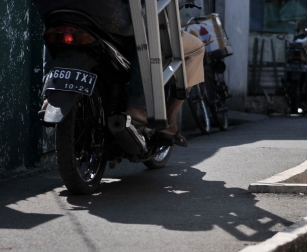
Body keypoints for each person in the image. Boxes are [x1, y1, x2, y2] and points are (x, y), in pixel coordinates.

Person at [33, 0, 205, 147]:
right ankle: (139, 106)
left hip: (47, 6)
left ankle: (50, 97)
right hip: (100, 10)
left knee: (60, 29)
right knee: (147, 24)